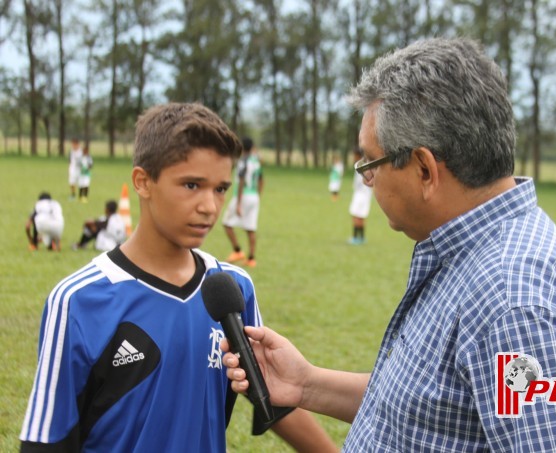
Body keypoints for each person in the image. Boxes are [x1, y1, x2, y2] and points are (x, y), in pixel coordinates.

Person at [222, 38, 556, 451]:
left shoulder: (515, 300)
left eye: (370, 163)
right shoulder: (467, 254)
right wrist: (305, 384)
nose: (366, 178)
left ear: (424, 169)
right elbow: (430, 409)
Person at [20, 103, 337, 452]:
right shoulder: (79, 300)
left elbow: (274, 399)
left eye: (220, 189)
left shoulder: (232, 288)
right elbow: (46, 442)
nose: (210, 206)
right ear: (143, 182)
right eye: (191, 185)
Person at [222, 136, 263, 268]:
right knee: (250, 228)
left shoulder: (242, 161)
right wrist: (258, 195)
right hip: (254, 196)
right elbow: (262, 180)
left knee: (227, 223)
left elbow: (240, 181)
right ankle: (251, 258)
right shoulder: (256, 161)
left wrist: (239, 203)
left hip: (243, 195)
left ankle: (237, 251)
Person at [347, 148, 372, 245]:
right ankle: (361, 238)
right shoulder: (364, 166)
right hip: (365, 195)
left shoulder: (361, 167)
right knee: (361, 216)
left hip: (361, 195)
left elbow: (359, 183)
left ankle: (355, 237)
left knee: (356, 216)